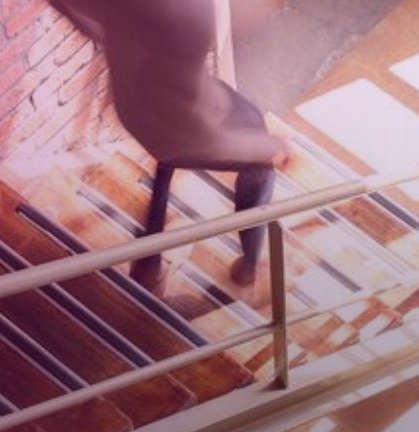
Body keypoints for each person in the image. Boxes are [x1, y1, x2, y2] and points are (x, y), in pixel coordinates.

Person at [46, 0, 289, 287]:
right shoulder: (188, 17)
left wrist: (115, 40)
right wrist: (266, 148)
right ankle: (248, 262)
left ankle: (148, 259)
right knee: (257, 160)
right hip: (175, 134)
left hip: (135, 113)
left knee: (170, 154)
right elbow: (204, 137)